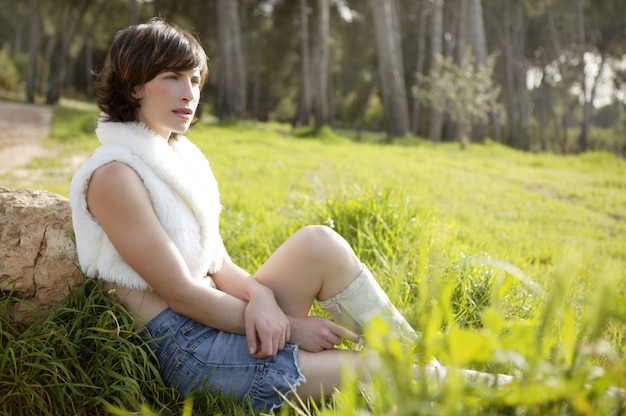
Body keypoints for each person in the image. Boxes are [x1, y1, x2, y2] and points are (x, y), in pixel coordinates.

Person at [69, 18, 509, 414]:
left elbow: (217, 264)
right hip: (193, 351)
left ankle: (419, 355)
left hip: (224, 316)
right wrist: (294, 328)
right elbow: (182, 293)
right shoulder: (114, 176)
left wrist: (260, 295)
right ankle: (522, 395)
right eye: (171, 77)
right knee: (375, 370)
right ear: (134, 87)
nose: (189, 93)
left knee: (319, 242)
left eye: (195, 79)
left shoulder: (177, 159)